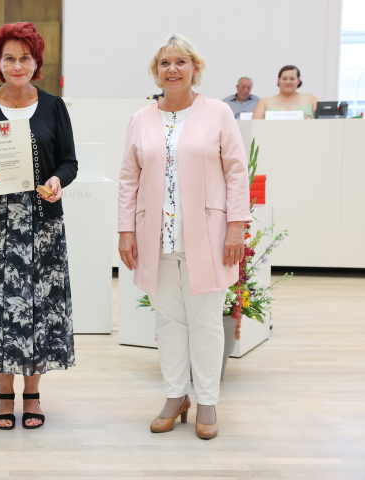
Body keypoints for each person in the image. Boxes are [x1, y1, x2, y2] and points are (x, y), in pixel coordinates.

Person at [118, 34, 252, 440]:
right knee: (168, 320)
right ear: (156, 72)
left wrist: (235, 227)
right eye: (164, 63)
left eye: (181, 62)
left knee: (207, 322)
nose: (172, 69)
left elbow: (236, 171)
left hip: (207, 237)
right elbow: (129, 177)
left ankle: (207, 399)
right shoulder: (141, 118)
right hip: (155, 238)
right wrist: (126, 230)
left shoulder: (218, 113)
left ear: (195, 68)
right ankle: (176, 396)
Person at [0, 22, 77, 430]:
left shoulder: (54, 107)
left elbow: (68, 162)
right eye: (9, 58)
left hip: (40, 228)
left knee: (38, 308)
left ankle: (33, 394)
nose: (17, 65)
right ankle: (5, 396)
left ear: (36, 62)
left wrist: (59, 180)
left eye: (25, 57)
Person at [252, 65, 318, 119]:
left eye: (292, 79)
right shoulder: (264, 102)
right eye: (284, 79)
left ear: (298, 80)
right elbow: (254, 127)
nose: (288, 82)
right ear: (278, 80)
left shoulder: (311, 99)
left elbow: (323, 122)